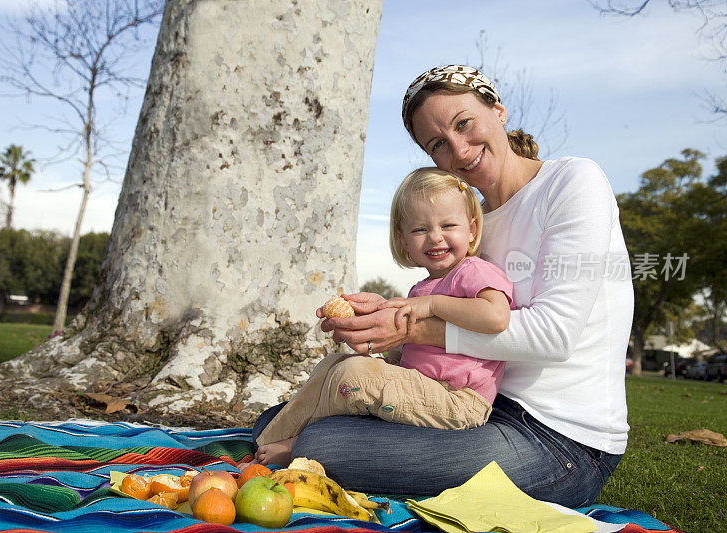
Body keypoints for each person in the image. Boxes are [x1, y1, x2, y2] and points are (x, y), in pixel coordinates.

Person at [251, 65, 633, 509]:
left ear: (498, 111)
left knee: (327, 444)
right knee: (283, 417)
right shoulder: (471, 221)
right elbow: (451, 301)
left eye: (464, 123)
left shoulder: (573, 182)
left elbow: (554, 335)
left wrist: (407, 327)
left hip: (560, 445)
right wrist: (391, 310)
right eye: (437, 144)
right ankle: (293, 439)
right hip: (480, 410)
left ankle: (302, 443)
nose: (459, 148)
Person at [252, 167, 514, 466]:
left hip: (459, 400)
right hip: (423, 386)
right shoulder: (421, 288)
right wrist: (379, 339)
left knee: (353, 378)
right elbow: (412, 346)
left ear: (471, 229)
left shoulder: (473, 271)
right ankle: (267, 443)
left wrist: (432, 305)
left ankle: (299, 445)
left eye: (448, 225)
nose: (435, 237)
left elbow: (496, 316)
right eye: (420, 229)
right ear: (403, 239)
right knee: (335, 364)